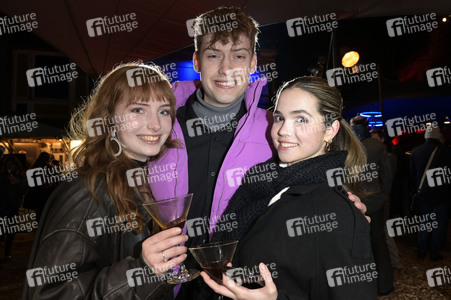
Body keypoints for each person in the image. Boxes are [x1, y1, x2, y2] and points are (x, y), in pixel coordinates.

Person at [147, 7, 368, 299]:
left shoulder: (276, 134)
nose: (226, 69)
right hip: (157, 288)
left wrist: (347, 218)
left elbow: (309, 187)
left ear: (252, 62)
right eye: (214, 55)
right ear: (197, 60)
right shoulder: (156, 128)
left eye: (238, 56)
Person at [22, 63, 189, 299]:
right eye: (138, 110)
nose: (156, 124)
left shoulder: (144, 181)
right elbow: (49, 292)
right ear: (109, 118)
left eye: (163, 111)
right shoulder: (89, 190)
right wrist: (140, 270)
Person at [204, 76, 376, 299]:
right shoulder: (262, 183)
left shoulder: (335, 210)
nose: (283, 130)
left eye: (301, 119)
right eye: (279, 117)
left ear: (330, 130)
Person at [351, 116, 394, 296]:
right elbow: (387, 174)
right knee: (378, 243)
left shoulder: (347, 146)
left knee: (355, 246)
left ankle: (361, 288)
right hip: (373, 201)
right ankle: (384, 287)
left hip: (352, 203)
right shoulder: (377, 146)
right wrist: (384, 195)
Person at [410, 126, 451, 261]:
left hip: (424, 193)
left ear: (426, 136)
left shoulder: (416, 151)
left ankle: (422, 250)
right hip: (442, 194)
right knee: (439, 224)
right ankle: (434, 253)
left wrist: (417, 187)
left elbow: (412, 174)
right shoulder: (446, 152)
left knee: (424, 222)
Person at [0, 155, 27, 261]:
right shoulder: (2, 176)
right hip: (2, 206)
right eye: (8, 164)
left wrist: (18, 183)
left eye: (11, 164)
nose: (9, 166)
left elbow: (25, 190)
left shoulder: (20, 176)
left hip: (13, 205)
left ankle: (7, 252)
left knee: (11, 229)